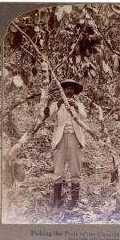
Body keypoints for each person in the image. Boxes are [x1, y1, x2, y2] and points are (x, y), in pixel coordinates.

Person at [43, 79, 87, 209]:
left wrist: (77, 107)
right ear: (62, 90)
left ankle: (74, 202)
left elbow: (84, 117)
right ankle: (57, 202)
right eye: (66, 88)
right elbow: (49, 116)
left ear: (74, 92)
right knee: (58, 171)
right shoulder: (56, 104)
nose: (69, 91)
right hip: (60, 140)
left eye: (71, 89)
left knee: (75, 171)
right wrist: (58, 104)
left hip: (75, 139)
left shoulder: (79, 104)